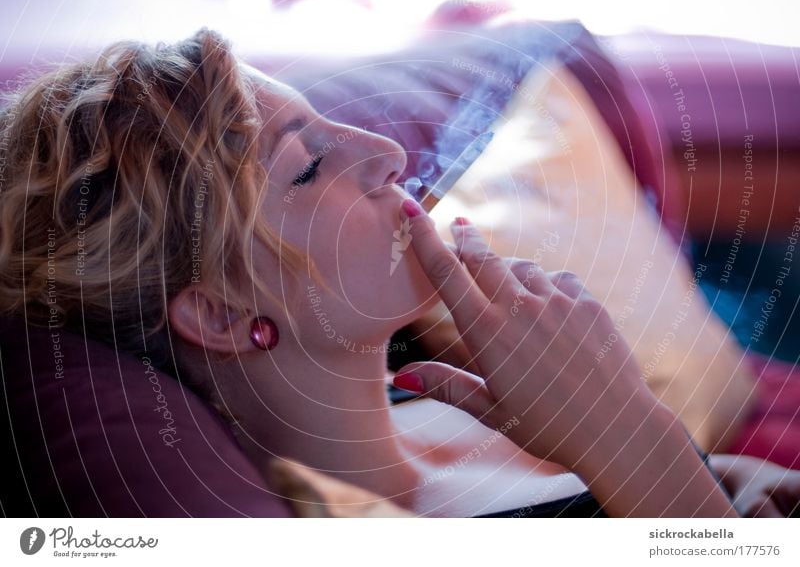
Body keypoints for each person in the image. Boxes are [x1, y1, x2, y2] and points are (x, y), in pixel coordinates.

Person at [0, 28, 796, 517]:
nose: (387, 152)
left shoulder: (454, 385)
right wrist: (631, 434)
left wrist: (730, 477)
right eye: (309, 165)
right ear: (216, 312)